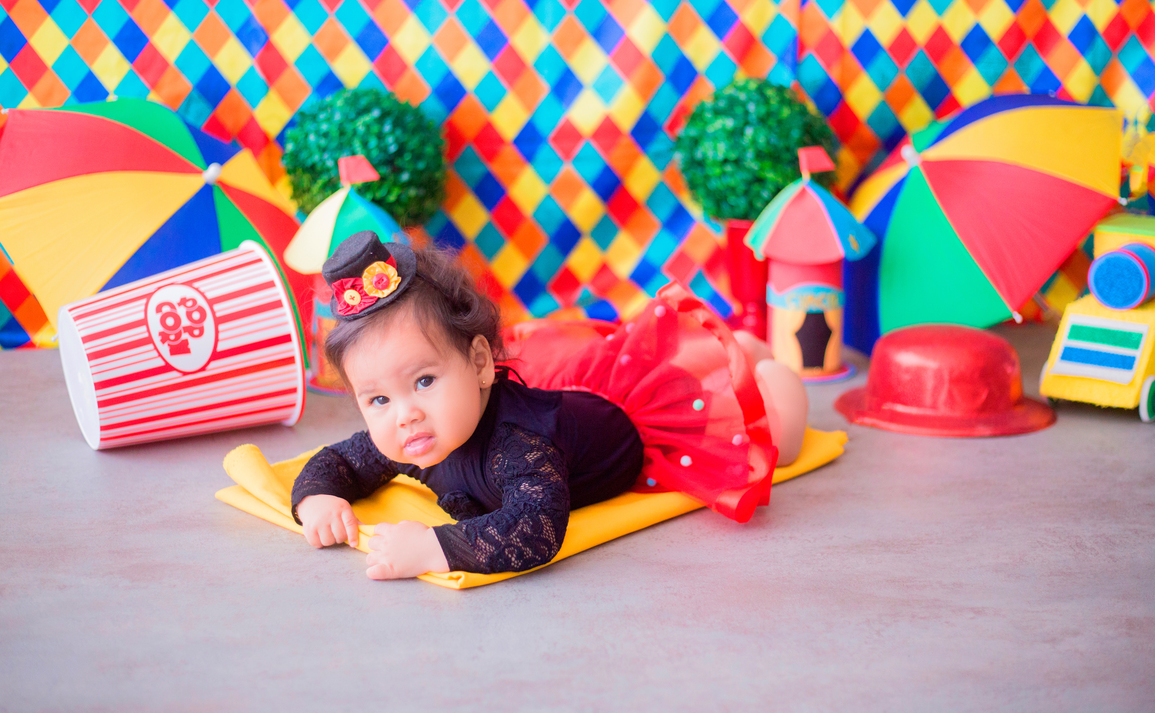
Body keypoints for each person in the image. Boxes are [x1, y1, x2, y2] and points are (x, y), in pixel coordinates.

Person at [292, 231, 810, 579]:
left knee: (767, 435)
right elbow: (339, 460)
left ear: (479, 363)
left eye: (424, 380)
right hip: (574, 399)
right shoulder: (413, 437)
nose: (404, 414)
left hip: (628, 428)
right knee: (698, 367)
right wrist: (317, 497)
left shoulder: (518, 446)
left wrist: (434, 548)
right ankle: (740, 350)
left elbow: (536, 528)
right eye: (378, 399)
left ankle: (769, 368)